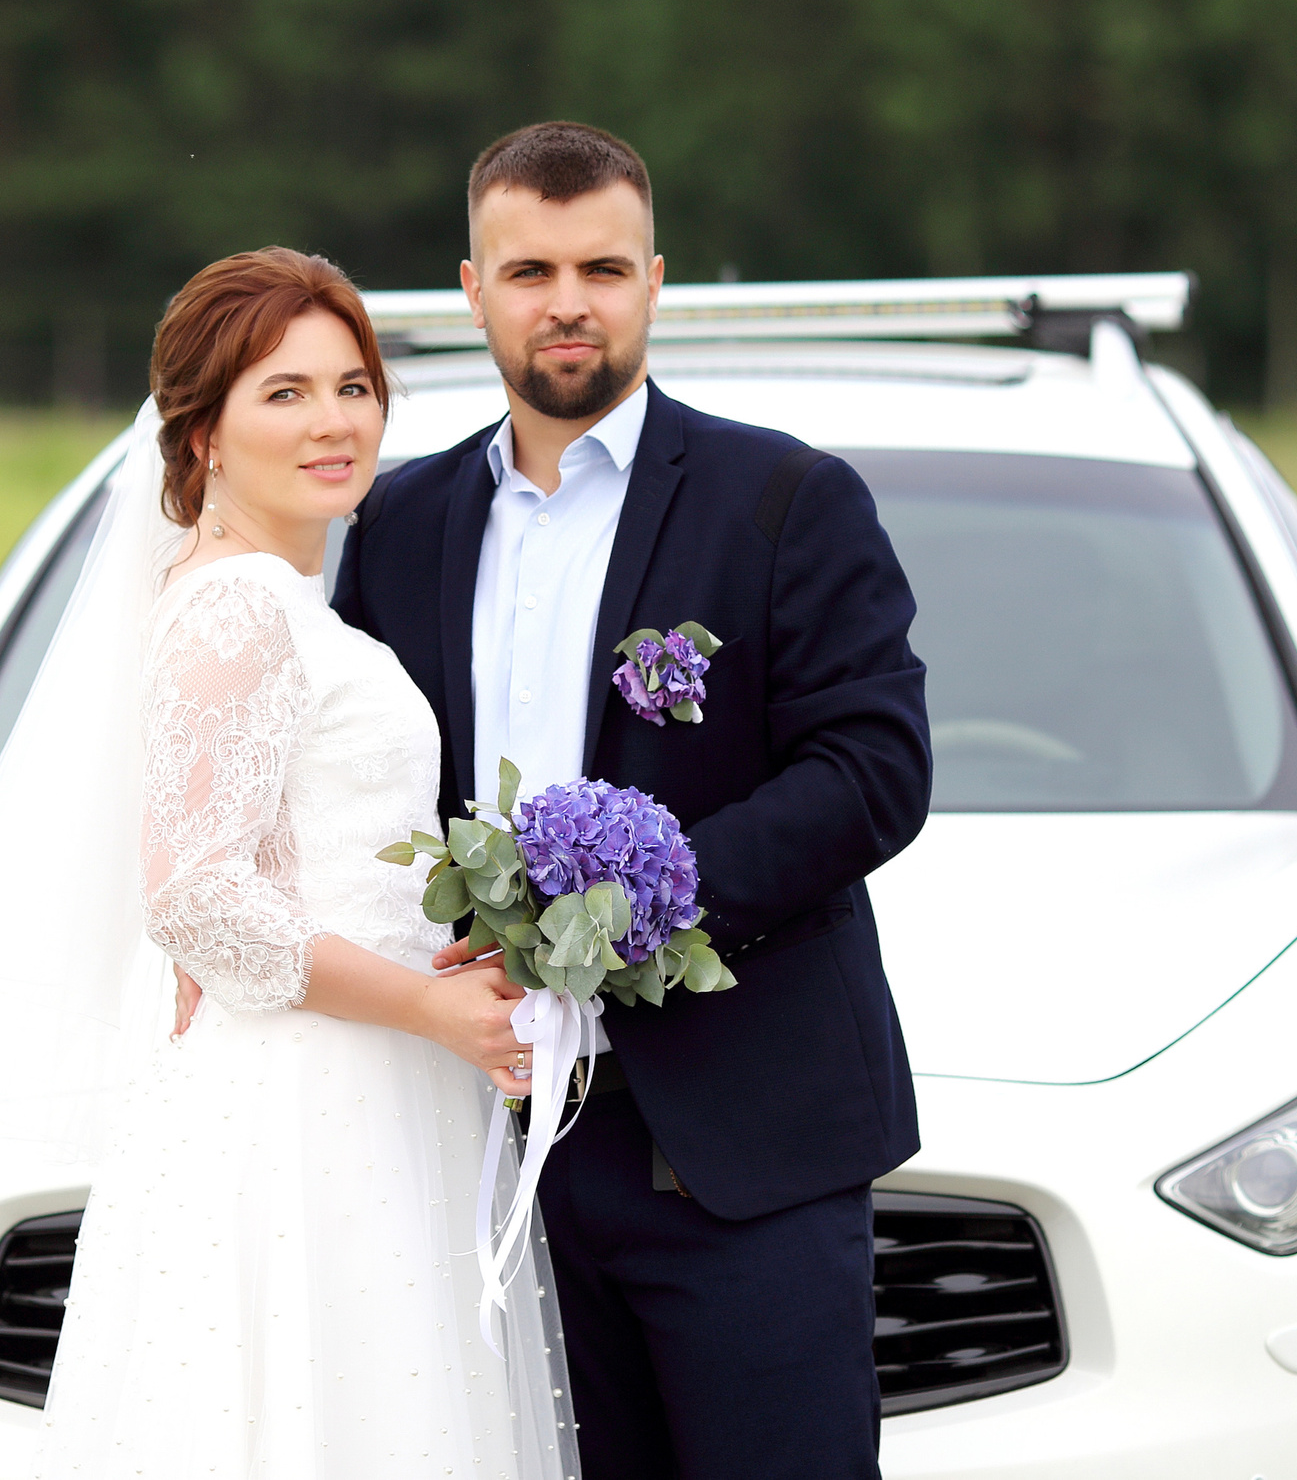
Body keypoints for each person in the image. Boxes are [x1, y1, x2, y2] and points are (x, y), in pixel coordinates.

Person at [333, 123, 933, 1480]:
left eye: (602, 264)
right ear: (473, 287)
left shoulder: (787, 500)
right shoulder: (398, 525)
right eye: (530, 267)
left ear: (653, 279)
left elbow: (873, 771)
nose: (568, 300)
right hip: (484, 1154)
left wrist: (635, 905)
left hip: (743, 1142)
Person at [16, 247, 580, 1480]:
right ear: (204, 435)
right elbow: (198, 896)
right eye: (284, 393)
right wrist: (432, 1006)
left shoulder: (282, 598)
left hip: (366, 1072)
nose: (334, 421)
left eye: (353, 385)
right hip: (299, 1096)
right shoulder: (238, 610)